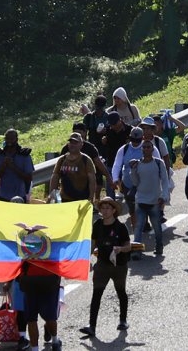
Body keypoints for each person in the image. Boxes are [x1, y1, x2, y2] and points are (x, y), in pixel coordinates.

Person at [80, 197, 131, 339]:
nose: (105, 210)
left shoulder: (121, 228)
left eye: (108, 208)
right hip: (102, 265)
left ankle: (123, 320)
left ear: (114, 210)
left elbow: (129, 246)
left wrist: (120, 249)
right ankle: (92, 326)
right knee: (96, 294)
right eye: (103, 208)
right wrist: (85, 259)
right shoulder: (97, 225)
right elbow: (93, 244)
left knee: (121, 292)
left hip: (119, 266)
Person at [129, 136, 170, 257]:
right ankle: (137, 250)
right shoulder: (138, 164)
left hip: (155, 201)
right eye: (144, 147)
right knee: (138, 226)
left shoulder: (158, 163)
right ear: (141, 149)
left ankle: (159, 245)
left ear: (152, 149)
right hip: (141, 199)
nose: (146, 149)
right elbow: (135, 182)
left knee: (156, 226)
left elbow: (165, 180)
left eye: (149, 147)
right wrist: (132, 170)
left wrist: (164, 196)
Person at [49, 132, 99, 203]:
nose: (73, 145)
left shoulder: (86, 160)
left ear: (81, 144)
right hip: (64, 199)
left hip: (81, 199)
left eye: (75, 143)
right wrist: (52, 195)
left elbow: (92, 179)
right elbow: (55, 176)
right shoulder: (62, 160)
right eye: (71, 142)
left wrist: (91, 197)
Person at [0, 129, 36, 202]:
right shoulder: (0, 155)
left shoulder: (24, 155)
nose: (9, 141)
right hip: (2, 196)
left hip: (20, 197)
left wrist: (13, 167)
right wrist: (4, 167)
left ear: (16, 139)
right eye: (7, 138)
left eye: (12, 139)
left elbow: (29, 178)